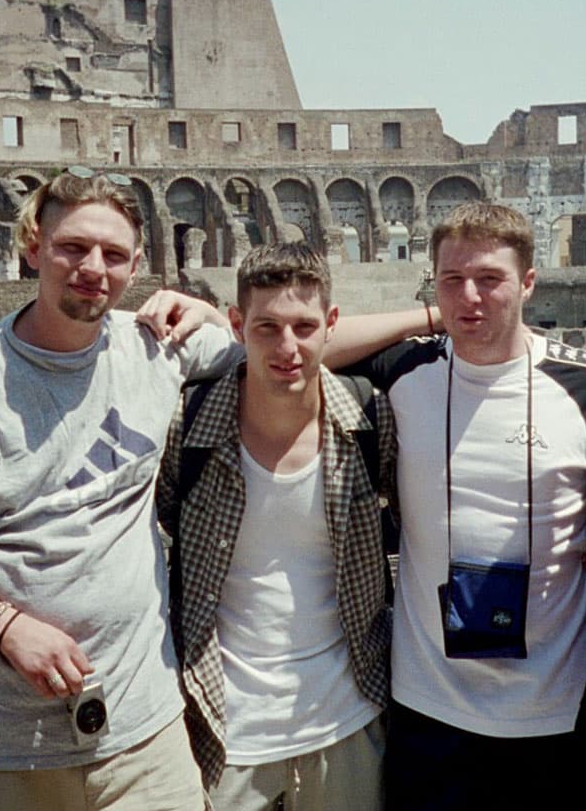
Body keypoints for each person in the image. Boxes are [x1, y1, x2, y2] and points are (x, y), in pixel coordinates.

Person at [0, 169, 428, 811]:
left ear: (138, 264)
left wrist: (441, 314)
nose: (92, 268)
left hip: (145, 728)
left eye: (112, 254)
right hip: (0, 736)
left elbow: (292, 344)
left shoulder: (157, 350)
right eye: (72, 247)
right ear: (32, 247)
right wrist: (5, 628)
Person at [350, 201, 586, 811]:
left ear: (528, 282)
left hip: (554, 707)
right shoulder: (404, 371)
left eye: (490, 280)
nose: (470, 298)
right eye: (452, 280)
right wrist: (427, 317)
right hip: (428, 704)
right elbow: (311, 340)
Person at [155, 241, 396, 811]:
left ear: (331, 325)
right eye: (266, 327)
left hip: (348, 715)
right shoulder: (186, 429)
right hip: (224, 724)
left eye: (304, 326)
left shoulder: (369, 421)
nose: (287, 347)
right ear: (236, 325)